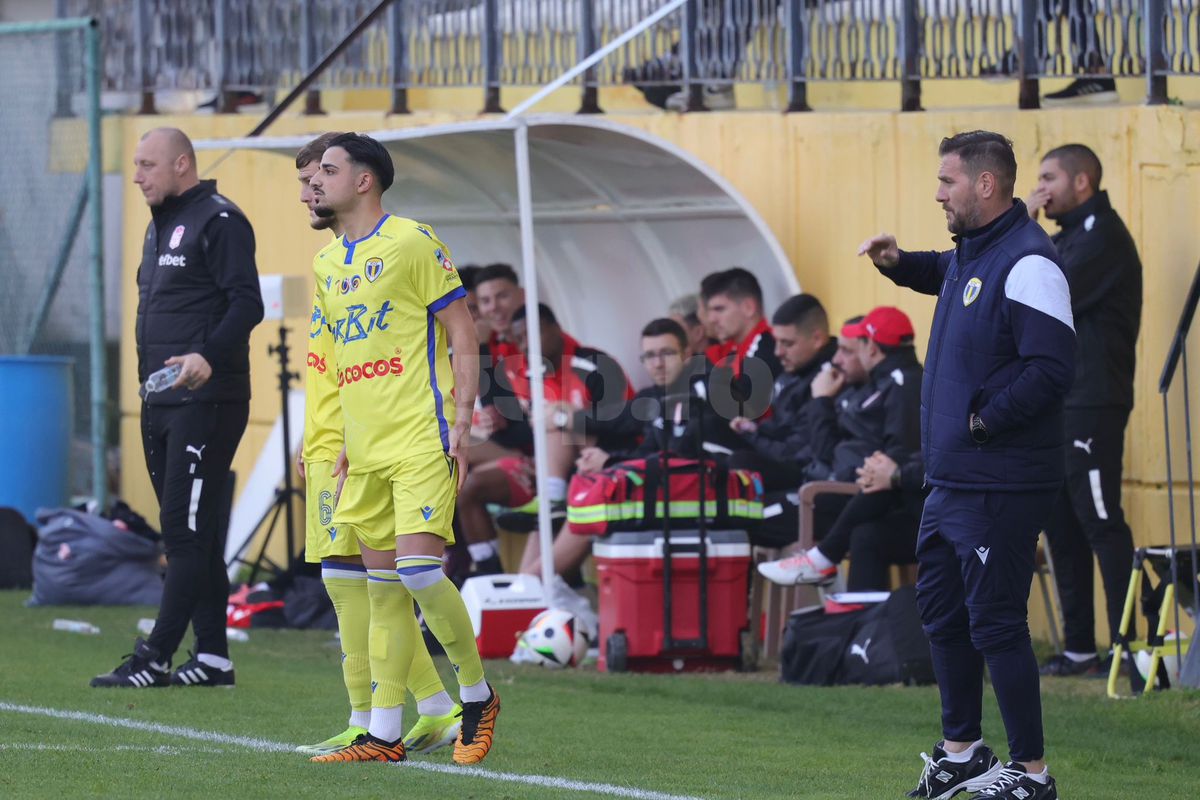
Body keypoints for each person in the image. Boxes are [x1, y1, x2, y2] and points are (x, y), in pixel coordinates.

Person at [859, 130, 1075, 799]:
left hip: (1002, 478)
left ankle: (1032, 775)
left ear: (986, 184)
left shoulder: (1031, 262)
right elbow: (951, 275)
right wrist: (899, 265)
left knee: (997, 623)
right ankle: (963, 753)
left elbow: (1053, 369)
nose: (938, 192)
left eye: (947, 180)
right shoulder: (972, 252)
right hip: (953, 481)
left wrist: (985, 418)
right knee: (945, 617)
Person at [306, 132, 498, 765]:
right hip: (364, 451)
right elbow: (342, 360)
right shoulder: (327, 263)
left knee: (418, 574)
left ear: (365, 181)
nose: (317, 181)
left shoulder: (413, 241)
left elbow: (461, 330)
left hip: (421, 435)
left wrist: (462, 418)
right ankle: (383, 734)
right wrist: (343, 440)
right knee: (382, 588)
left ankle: (477, 694)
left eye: (328, 171)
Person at [91, 128, 264, 689]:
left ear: (182, 164)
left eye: (146, 164)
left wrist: (209, 356)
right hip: (160, 399)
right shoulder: (159, 221)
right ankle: (213, 657)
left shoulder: (220, 219)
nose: (137, 175)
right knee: (200, 530)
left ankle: (157, 656)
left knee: (181, 531)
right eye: (136, 164)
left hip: (205, 401)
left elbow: (248, 302)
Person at [1027, 144, 1143, 677]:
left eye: (1049, 177)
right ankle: (1078, 649)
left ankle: (1128, 649)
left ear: (1082, 182)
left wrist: (1018, 229)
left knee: (1100, 520)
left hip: (1093, 402)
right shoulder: (1069, 237)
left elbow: (1048, 292)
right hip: (1059, 403)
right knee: (1062, 524)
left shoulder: (1103, 238)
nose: (1040, 187)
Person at [756, 306, 924, 590]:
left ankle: (821, 559)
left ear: (869, 348)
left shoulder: (901, 384)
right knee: (864, 535)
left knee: (752, 516)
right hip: (846, 490)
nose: (837, 359)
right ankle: (857, 627)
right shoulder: (873, 385)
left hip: (870, 496)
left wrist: (820, 401)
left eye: (849, 350)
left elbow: (895, 459)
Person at [729, 293, 838, 490]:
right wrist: (756, 430)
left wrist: (754, 437)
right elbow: (783, 428)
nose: (778, 351)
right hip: (783, 457)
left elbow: (796, 452)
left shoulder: (828, 381)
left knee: (739, 462)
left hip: (805, 477)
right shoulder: (792, 373)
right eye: (777, 341)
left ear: (817, 339)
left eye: (787, 343)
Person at [700, 268, 782, 423]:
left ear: (748, 308)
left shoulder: (768, 348)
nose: (711, 319)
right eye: (710, 311)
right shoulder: (735, 351)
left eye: (719, 309)